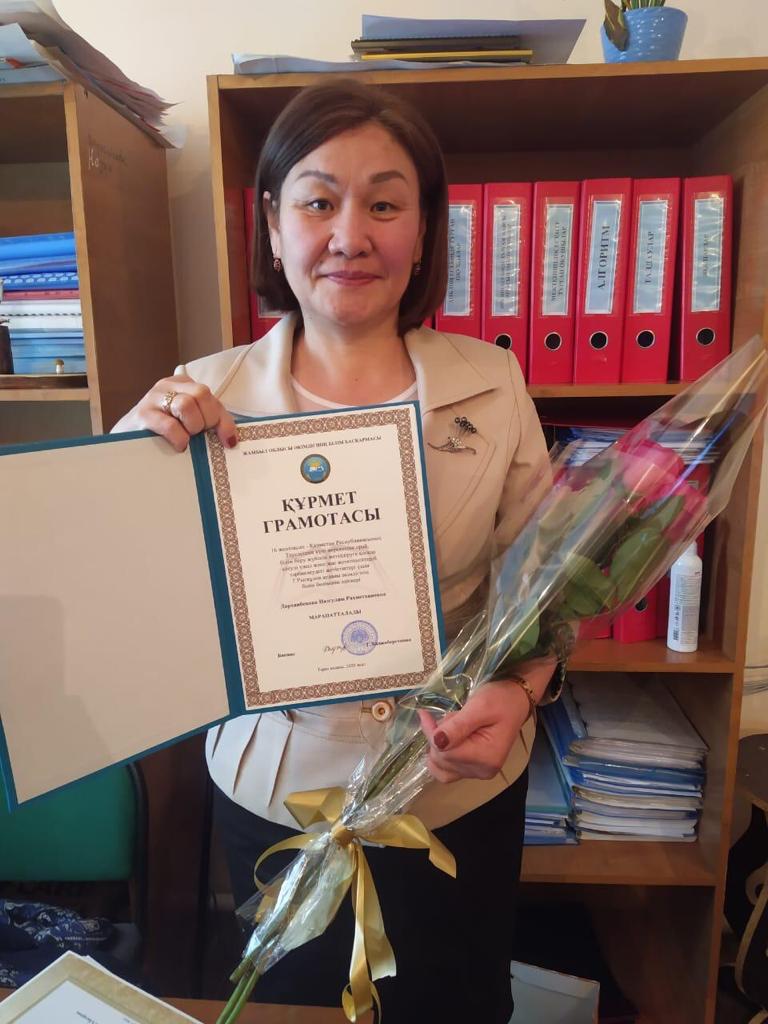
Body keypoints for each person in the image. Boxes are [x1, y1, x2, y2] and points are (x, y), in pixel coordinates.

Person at [114, 79, 556, 1023]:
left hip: (457, 791)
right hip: (279, 789)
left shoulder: (494, 383)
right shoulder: (200, 395)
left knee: (463, 1006)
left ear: (423, 233)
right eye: (318, 202)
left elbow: (548, 586)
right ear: (273, 227)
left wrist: (519, 693)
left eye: (384, 205)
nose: (349, 235)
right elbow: (122, 589)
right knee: (298, 1006)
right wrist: (126, 456)